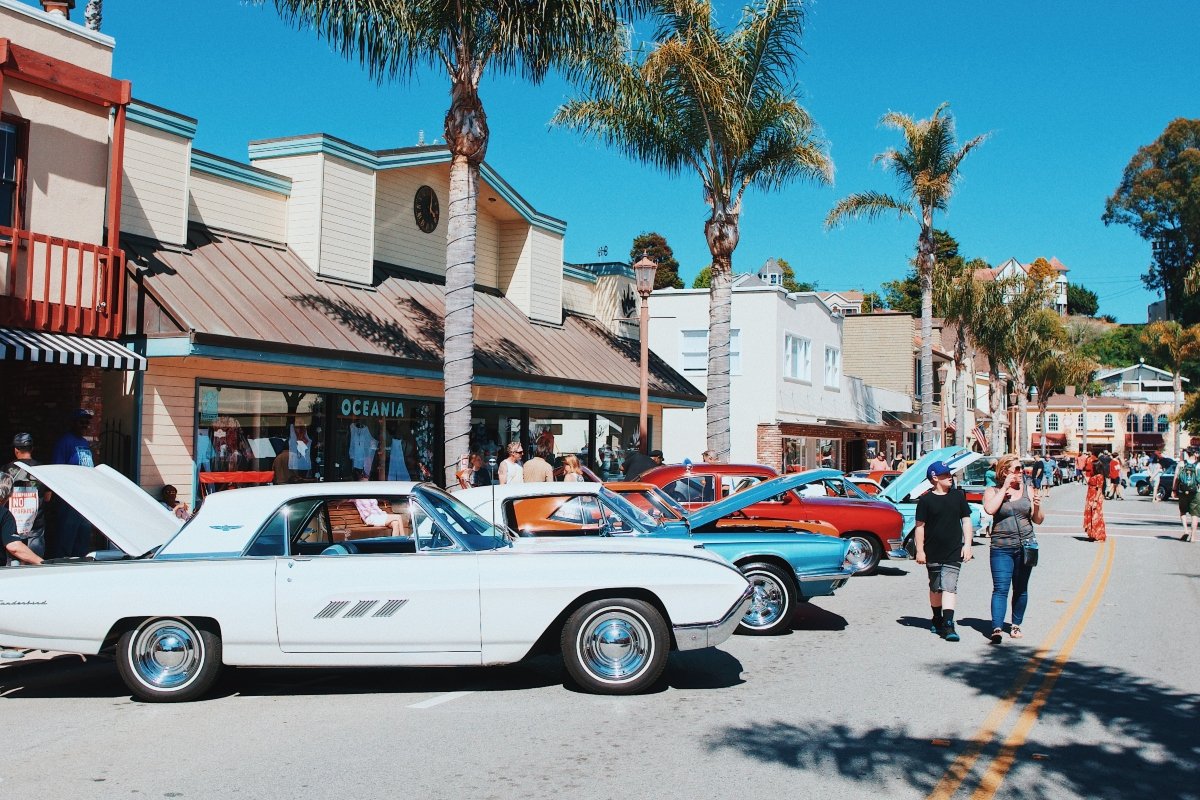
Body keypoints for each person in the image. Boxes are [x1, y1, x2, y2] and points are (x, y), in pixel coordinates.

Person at [982, 453, 1042, 644]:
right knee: (1000, 588)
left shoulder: (1028, 490)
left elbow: (1038, 520)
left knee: (1021, 588)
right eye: (1016, 469)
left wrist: (1039, 508)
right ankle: (997, 628)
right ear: (1004, 471)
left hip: (1026, 545)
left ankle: (1016, 624)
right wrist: (1005, 488)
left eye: (1021, 468)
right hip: (1001, 547)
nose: (1020, 472)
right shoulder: (992, 491)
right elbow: (990, 509)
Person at [913, 461, 974, 642]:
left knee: (949, 586)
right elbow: (920, 527)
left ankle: (948, 624)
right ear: (934, 478)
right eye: (945, 474)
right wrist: (920, 551)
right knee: (936, 587)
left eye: (950, 474)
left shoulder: (958, 496)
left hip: (953, 550)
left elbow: (967, 521)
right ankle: (937, 617)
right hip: (932, 551)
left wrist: (968, 545)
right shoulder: (925, 500)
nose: (950, 477)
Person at [51, 409, 97, 558]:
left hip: (86, 497)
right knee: (66, 535)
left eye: (87, 422)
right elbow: (57, 469)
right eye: (81, 421)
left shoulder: (84, 442)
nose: (85, 425)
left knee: (83, 535)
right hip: (71, 497)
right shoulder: (64, 442)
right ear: (73, 423)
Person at [4, 433, 48, 564]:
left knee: (13, 568)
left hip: (13, 526)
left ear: (16, 450)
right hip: (36, 526)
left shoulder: (6, 469)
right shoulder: (42, 470)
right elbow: (48, 497)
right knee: (35, 565)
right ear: (32, 448)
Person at [1173, 449, 1199, 542]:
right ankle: (1193, 536)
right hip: (1196, 492)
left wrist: (1174, 490)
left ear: (1187, 454)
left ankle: (1186, 531)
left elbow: (1176, 477)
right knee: (1194, 514)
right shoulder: (1198, 464)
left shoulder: (1181, 464)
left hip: (1182, 491)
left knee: (1182, 512)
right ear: (1195, 454)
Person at [1082, 453, 1107, 542]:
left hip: (1096, 496)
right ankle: (1092, 533)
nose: (1091, 468)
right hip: (1090, 495)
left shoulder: (1100, 476)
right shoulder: (1093, 476)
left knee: (1096, 516)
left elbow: (1099, 489)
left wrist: (1095, 500)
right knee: (1091, 514)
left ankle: (1100, 535)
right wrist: (1084, 475)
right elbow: (1089, 482)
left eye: (1092, 467)